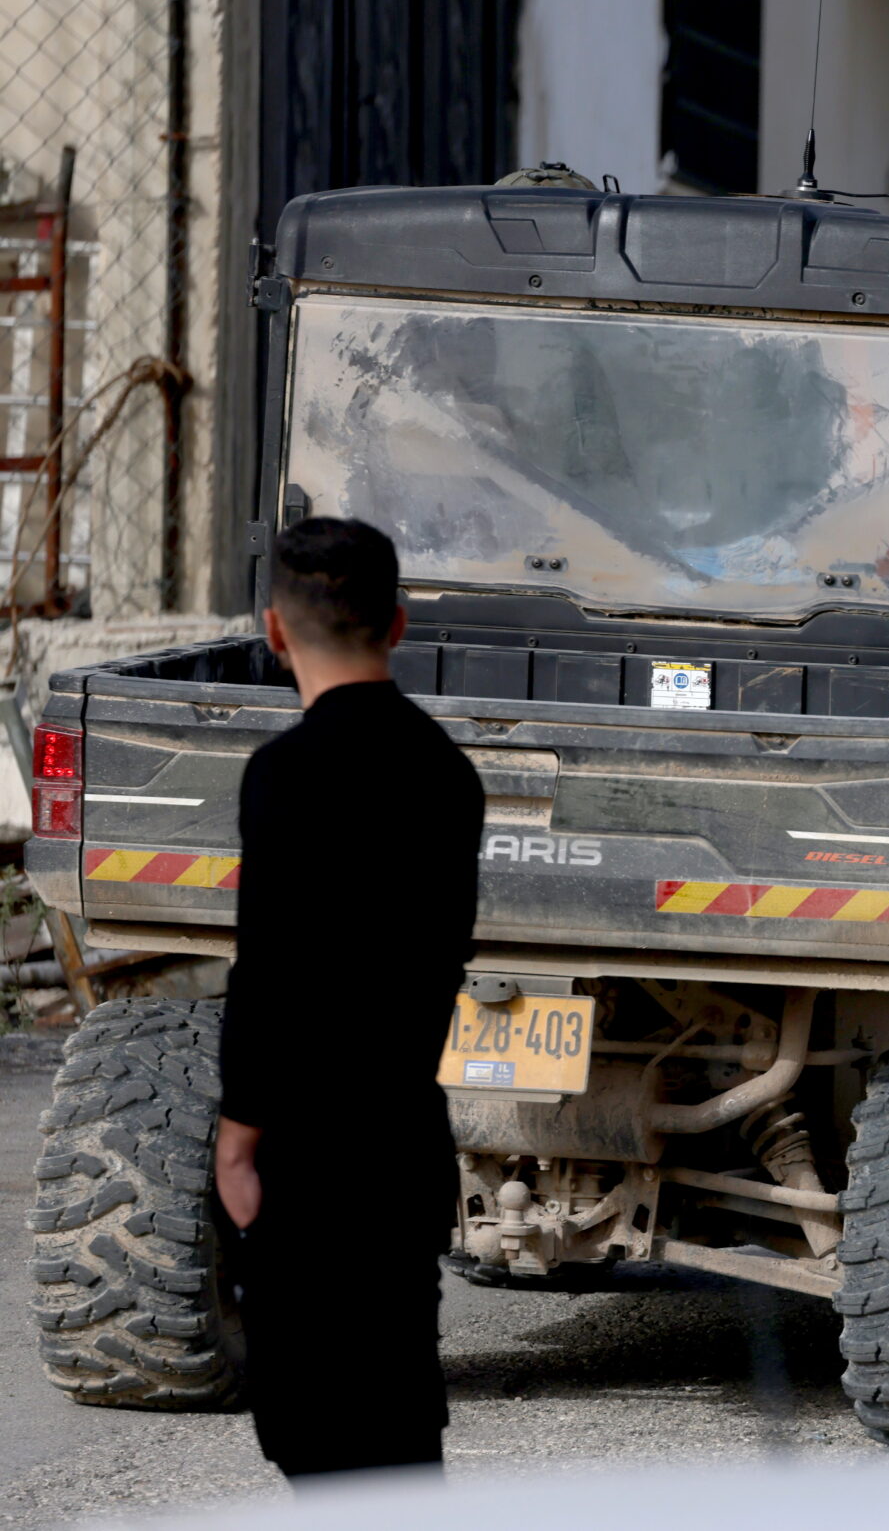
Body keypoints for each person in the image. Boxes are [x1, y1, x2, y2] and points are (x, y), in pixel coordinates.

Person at [213, 517, 484, 1483]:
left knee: (309, 1424)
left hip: (309, 1149)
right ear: (400, 624)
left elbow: (270, 971)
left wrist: (238, 1136)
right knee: (398, 1410)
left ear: (275, 633)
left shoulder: (283, 776)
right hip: (406, 1135)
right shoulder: (449, 775)